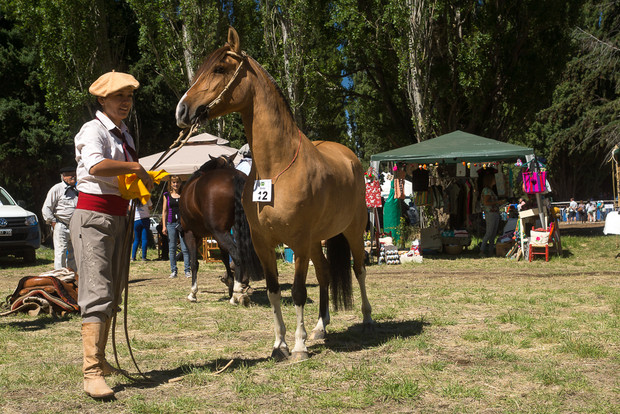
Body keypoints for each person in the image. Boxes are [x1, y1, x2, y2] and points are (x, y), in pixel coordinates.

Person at [69, 71, 153, 399]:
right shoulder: (93, 130)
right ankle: (90, 373)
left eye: (129, 97)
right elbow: (94, 166)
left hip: (120, 218)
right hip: (94, 217)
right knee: (96, 289)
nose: (126, 103)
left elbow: (123, 179)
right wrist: (135, 169)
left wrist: (143, 184)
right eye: (119, 96)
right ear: (102, 100)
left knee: (113, 292)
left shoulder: (126, 136)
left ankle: (101, 362)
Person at [42, 166, 79, 270]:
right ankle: (59, 278)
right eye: (70, 174)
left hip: (75, 226)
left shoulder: (78, 189)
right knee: (61, 252)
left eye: (74, 174)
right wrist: (53, 223)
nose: (74, 176)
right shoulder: (57, 189)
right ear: (64, 176)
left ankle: (73, 276)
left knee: (74, 252)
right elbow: (46, 208)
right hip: (61, 225)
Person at [162, 175, 190, 278]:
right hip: (170, 223)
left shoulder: (184, 194)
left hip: (182, 224)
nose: (175, 184)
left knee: (185, 248)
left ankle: (187, 270)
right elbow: (164, 211)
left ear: (180, 183)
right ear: (171, 184)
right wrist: (164, 226)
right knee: (172, 248)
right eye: (173, 182)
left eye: (177, 182)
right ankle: (173, 270)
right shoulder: (166, 195)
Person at [479, 173, 504, 257]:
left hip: (494, 212)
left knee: (493, 233)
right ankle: (482, 250)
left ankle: (490, 251)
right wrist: (498, 202)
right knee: (489, 233)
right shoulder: (487, 190)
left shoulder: (490, 190)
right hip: (490, 213)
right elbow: (486, 202)